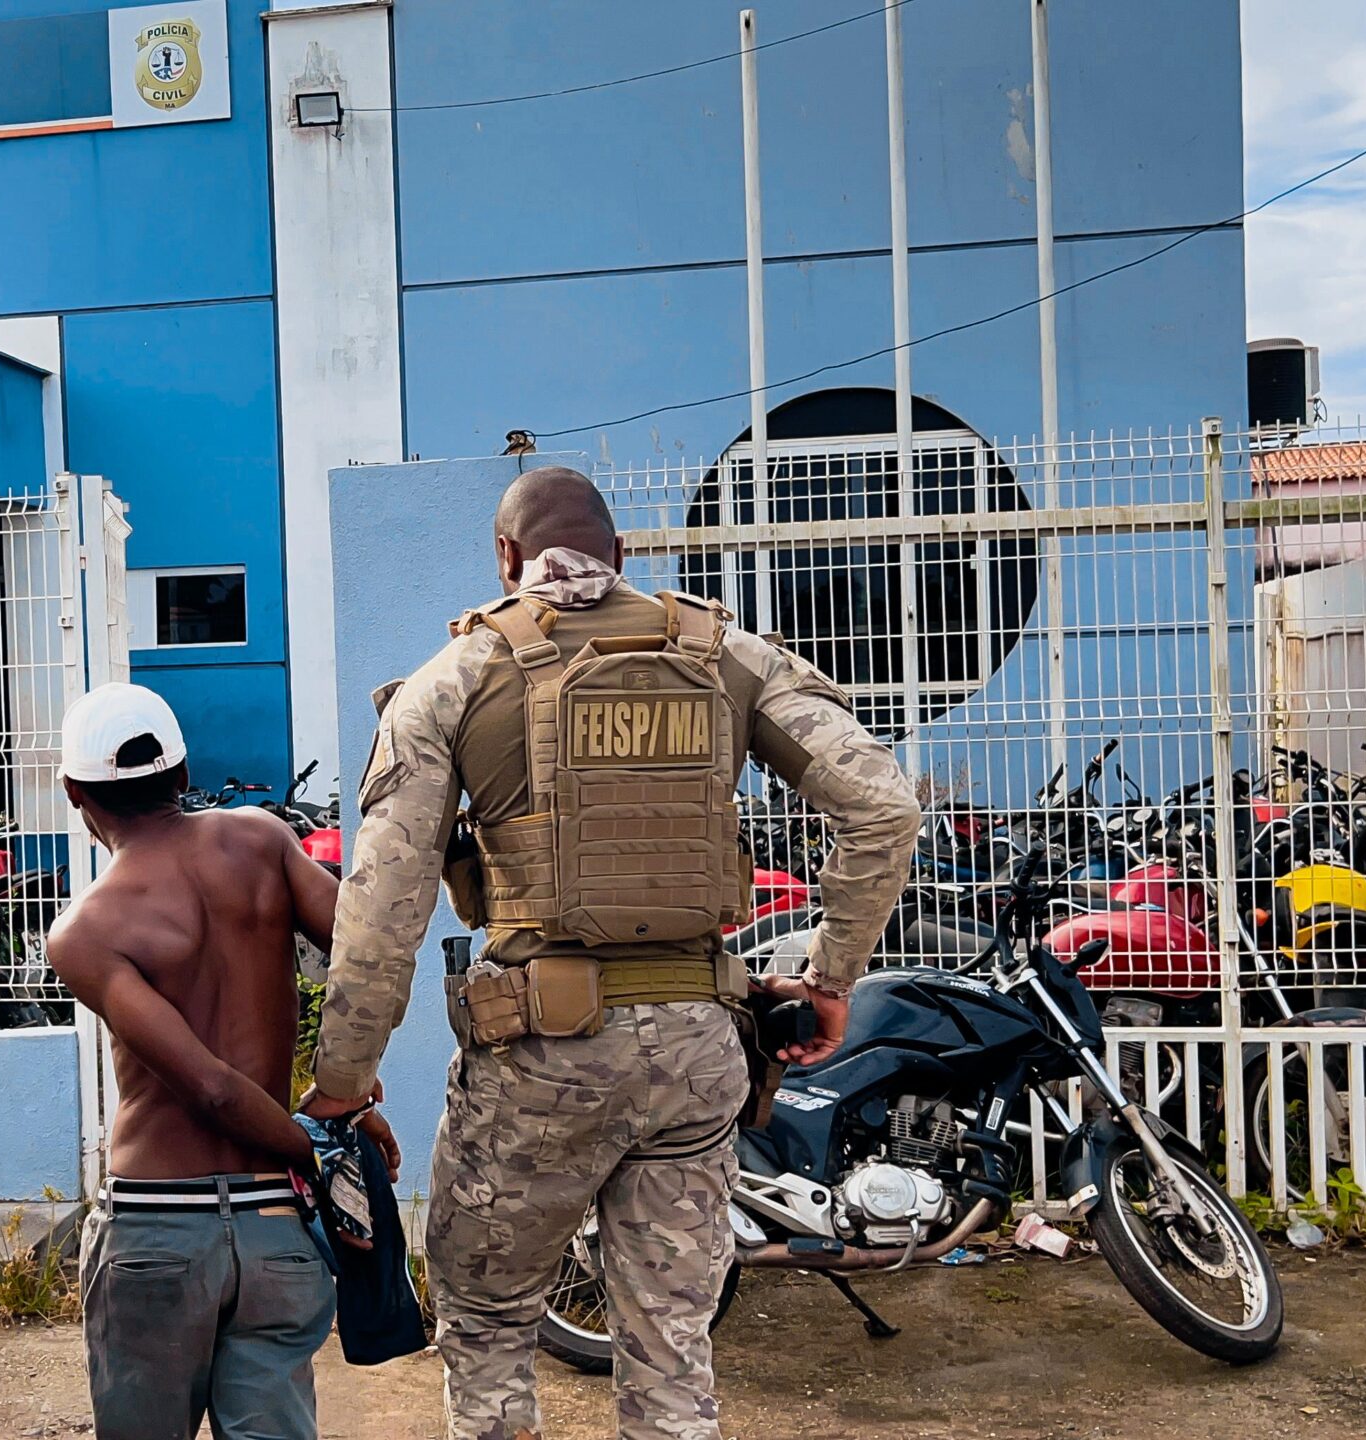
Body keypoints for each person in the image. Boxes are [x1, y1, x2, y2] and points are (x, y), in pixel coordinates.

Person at [305, 466, 920, 1440]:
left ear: (505, 560)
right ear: (621, 555)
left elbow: (384, 902)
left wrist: (344, 1075)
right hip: (696, 1055)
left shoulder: (455, 678)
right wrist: (828, 973)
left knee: (490, 1323)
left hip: (535, 1063)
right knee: (672, 1347)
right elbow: (883, 806)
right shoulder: (724, 654)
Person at [46, 682, 393, 1440]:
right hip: (275, 1232)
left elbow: (208, 1087)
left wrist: (320, 1146)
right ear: (182, 773)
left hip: (157, 1234)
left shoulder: (85, 932)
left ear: (75, 793)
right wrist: (345, 1101)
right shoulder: (263, 840)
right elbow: (367, 952)